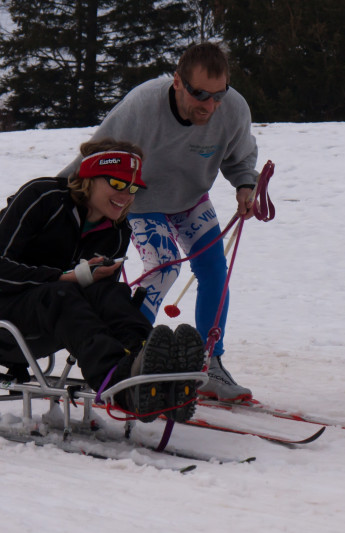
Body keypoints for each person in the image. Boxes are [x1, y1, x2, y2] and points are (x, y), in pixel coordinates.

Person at [59, 42, 259, 402]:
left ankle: (210, 365)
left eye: (218, 95)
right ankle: (130, 356)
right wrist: (54, 194)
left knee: (215, 269)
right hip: (140, 200)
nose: (210, 105)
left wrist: (246, 184)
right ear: (178, 82)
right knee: (164, 267)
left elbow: (240, 155)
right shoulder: (142, 106)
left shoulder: (233, 109)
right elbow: (96, 156)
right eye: (200, 94)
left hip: (191, 198)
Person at [0, 138, 205, 422]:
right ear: (89, 178)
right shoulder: (43, 197)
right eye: (118, 184)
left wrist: (90, 281)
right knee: (61, 294)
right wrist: (65, 277)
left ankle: (146, 365)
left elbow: (98, 297)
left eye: (133, 188)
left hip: (49, 317)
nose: (126, 196)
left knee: (112, 294)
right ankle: (117, 382)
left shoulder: (116, 230)